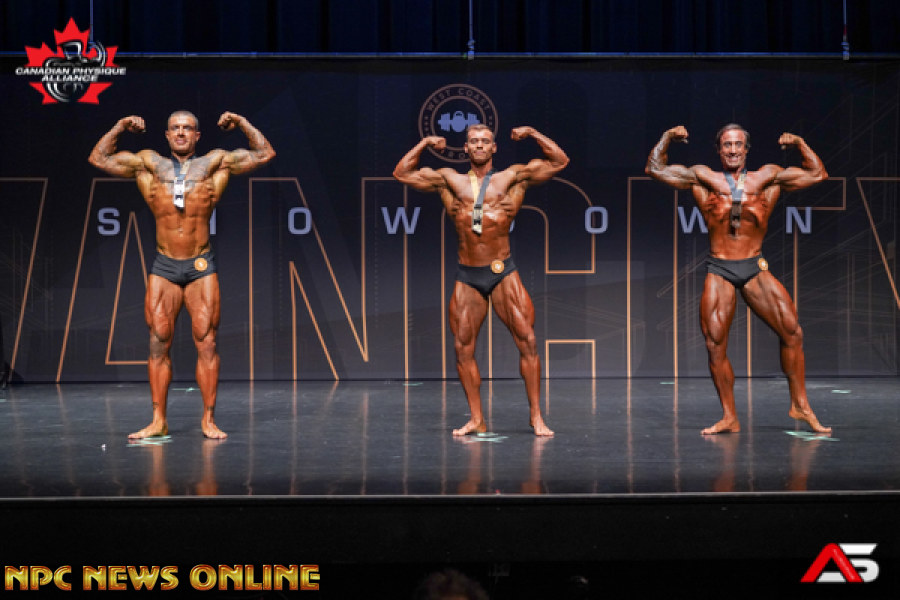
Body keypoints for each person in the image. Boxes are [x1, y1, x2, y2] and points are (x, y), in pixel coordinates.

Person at [88, 110, 275, 439]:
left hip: (200, 265)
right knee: (158, 342)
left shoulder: (215, 163)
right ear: (166, 134)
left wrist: (242, 122)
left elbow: (264, 154)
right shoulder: (149, 164)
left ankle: (209, 420)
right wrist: (120, 126)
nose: (181, 133)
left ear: (197, 135)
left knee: (207, 342)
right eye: (175, 128)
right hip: (165, 266)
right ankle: (158, 420)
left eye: (187, 128)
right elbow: (99, 158)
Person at [645, 123, 831, 435]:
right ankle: (729, 416)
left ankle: (800, 405)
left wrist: (800, 142)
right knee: (715, 344)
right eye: (727, 145)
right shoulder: (703, 177)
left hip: (754, 267)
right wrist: (666, 137)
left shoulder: (767, 177)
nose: (733, 150)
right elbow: (655, 169)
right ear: (719, 150)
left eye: (738, 145)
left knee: (792, 331)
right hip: (720, 268)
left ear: (746, 149)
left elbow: (818, 174)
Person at [394, 124, 568, 437]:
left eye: (485, 141)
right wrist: (424, 143)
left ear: (493, 148)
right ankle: (476, 418)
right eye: (473, 141)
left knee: (528, 342)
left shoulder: (512, 177)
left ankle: (536, 416)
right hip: (468, 275)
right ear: (465, 148)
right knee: (462, 348)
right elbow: (402, 173)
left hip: (502, 273)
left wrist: (532, 133)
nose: (479, 146)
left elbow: (559, 161)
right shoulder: (449, 180)